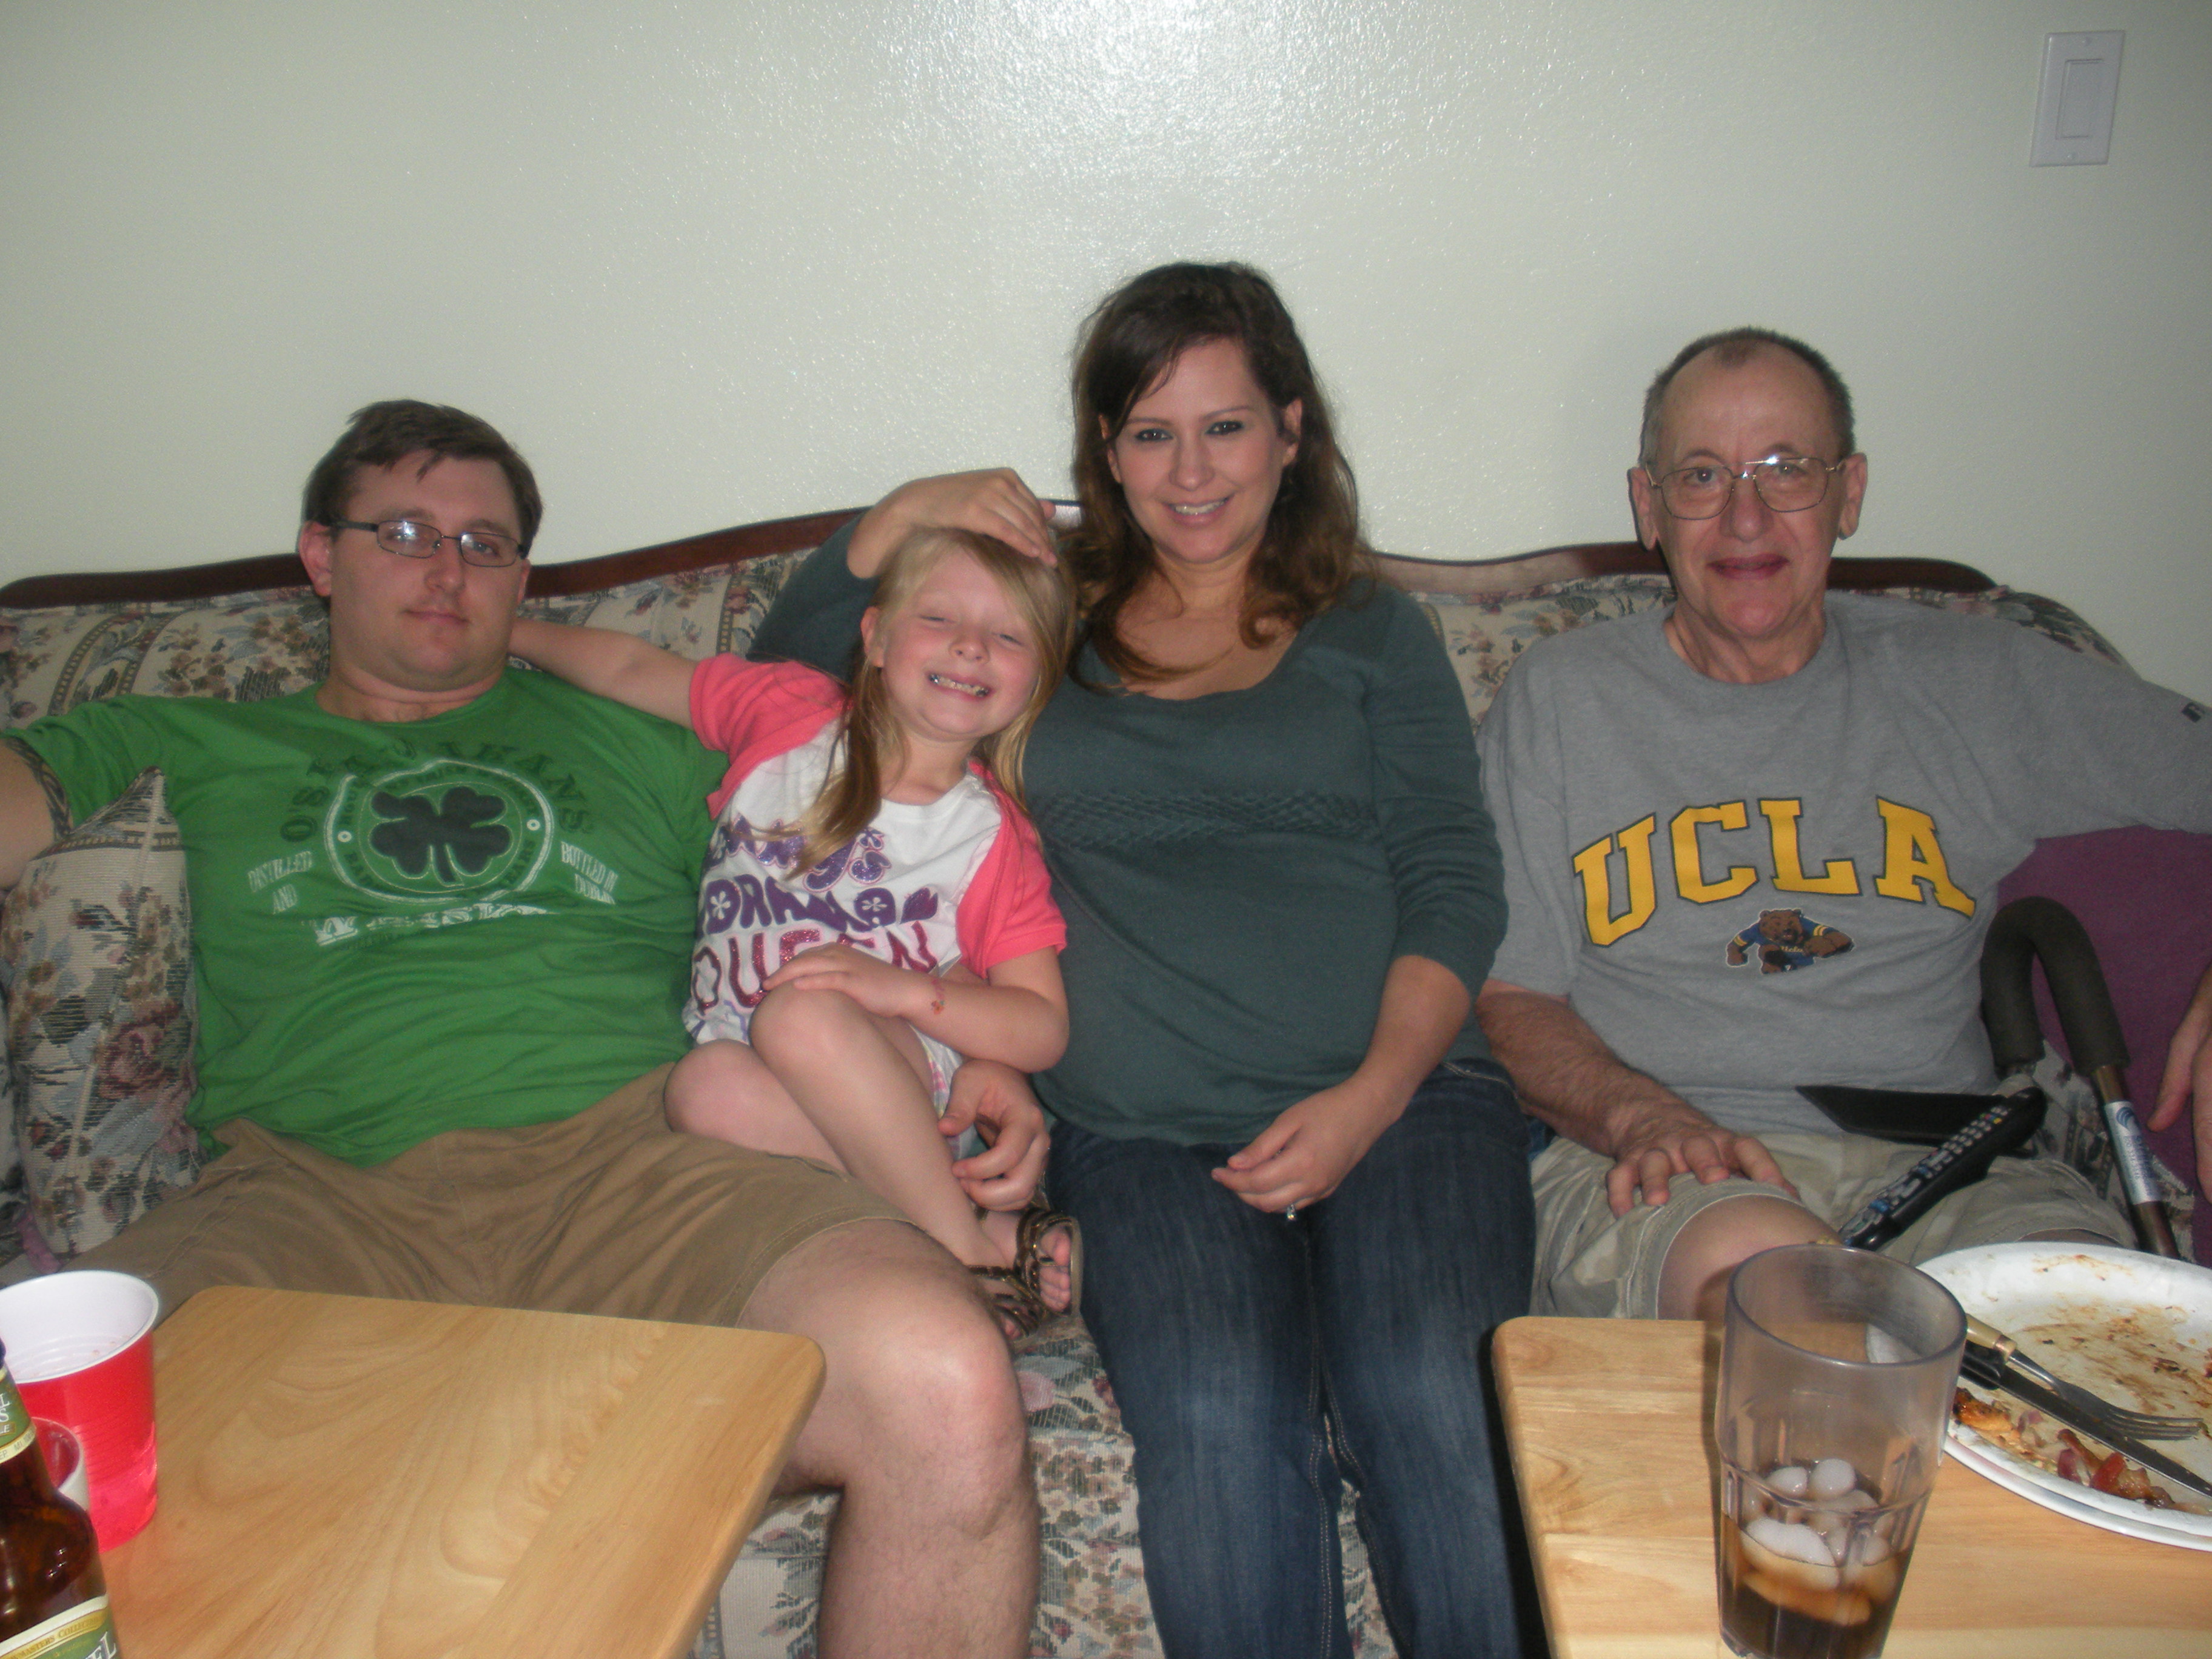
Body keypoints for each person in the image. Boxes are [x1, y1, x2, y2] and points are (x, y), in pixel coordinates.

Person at [0, 401, 1053, 1658]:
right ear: (322, 556)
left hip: (653, 1170)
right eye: (404, 533)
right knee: (38, 1457)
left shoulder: (647, 737)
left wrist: (989, 1058)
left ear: (521, 578)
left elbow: (877, 860)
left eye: (485, 545)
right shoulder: (197, 730)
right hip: (315, 1197)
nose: (447, 570)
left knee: (944, 1381)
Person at [751, 263, 1535, 1658]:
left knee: (1427, 1391)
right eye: (1151, 434)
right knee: (1219, 1414)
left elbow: (1453, 883)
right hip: (1142, 1135)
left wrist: (1367, 1099)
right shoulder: (1046, 624)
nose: (1191, 472)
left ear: (1291, 431)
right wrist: (903, 514)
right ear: (1104, 453)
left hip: (1404, 1100)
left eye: (1226, 427)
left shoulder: (1370, 632)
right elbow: (803, 687)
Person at [1475, 327, 2212, 1323]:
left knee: (2086, 1323)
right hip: (1678, 1177)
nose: (1745, 517)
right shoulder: (1565, 697)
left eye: (1787, 469)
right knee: (1775, 1295)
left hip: (1957, 1168)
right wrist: (1640, 1116)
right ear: (1649, 506)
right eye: (1702, 475)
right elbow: (1508, 996)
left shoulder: (1979, 677)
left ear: (1849, 492)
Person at [508, 526, 1082, 1333]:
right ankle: (960, 1220)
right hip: (772, 1089)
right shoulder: (788, 715)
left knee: (802, 1015)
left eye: (1009, 636)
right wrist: (505, 630)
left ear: (1036, 679)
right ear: (876, 637)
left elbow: (1042, 1025)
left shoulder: (990, 836)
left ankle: (967, 1260)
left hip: (906, 1087)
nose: (971, 646)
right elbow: (633, 669)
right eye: (939, 618)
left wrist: (903, 992)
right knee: (701, 1088)